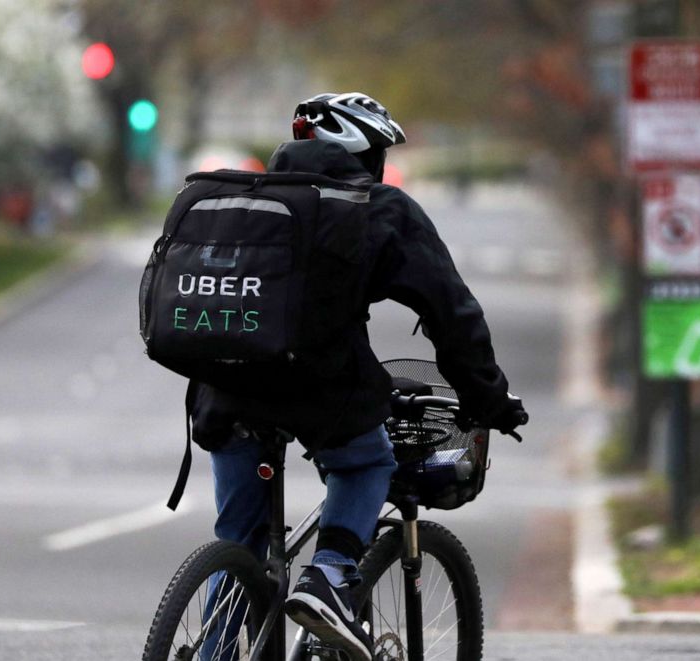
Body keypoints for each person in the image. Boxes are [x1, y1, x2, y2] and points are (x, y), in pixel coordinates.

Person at [188, 92, 527, 660]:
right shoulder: (377, 207)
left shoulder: (243, 198)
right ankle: (332, 576)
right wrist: (488, 398)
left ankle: (213, 652)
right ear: (363, 153)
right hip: (318, 389)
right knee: (367, 460)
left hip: (223, 390)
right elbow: (451, 312)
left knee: (240, 545)